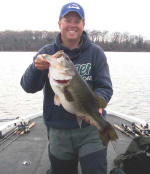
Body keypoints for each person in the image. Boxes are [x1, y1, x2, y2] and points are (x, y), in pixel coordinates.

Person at [20, 2, 113, 174]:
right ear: (59, 23)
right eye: (67, 20)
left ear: (83, 25)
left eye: (77, 21)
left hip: (90, 130)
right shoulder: (47, 53)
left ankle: (104, 129)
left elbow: (105, 87)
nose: (72, 24)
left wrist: (97, 105)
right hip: (59, 131)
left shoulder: (96, 53)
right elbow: (28, 87)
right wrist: (35, 68)